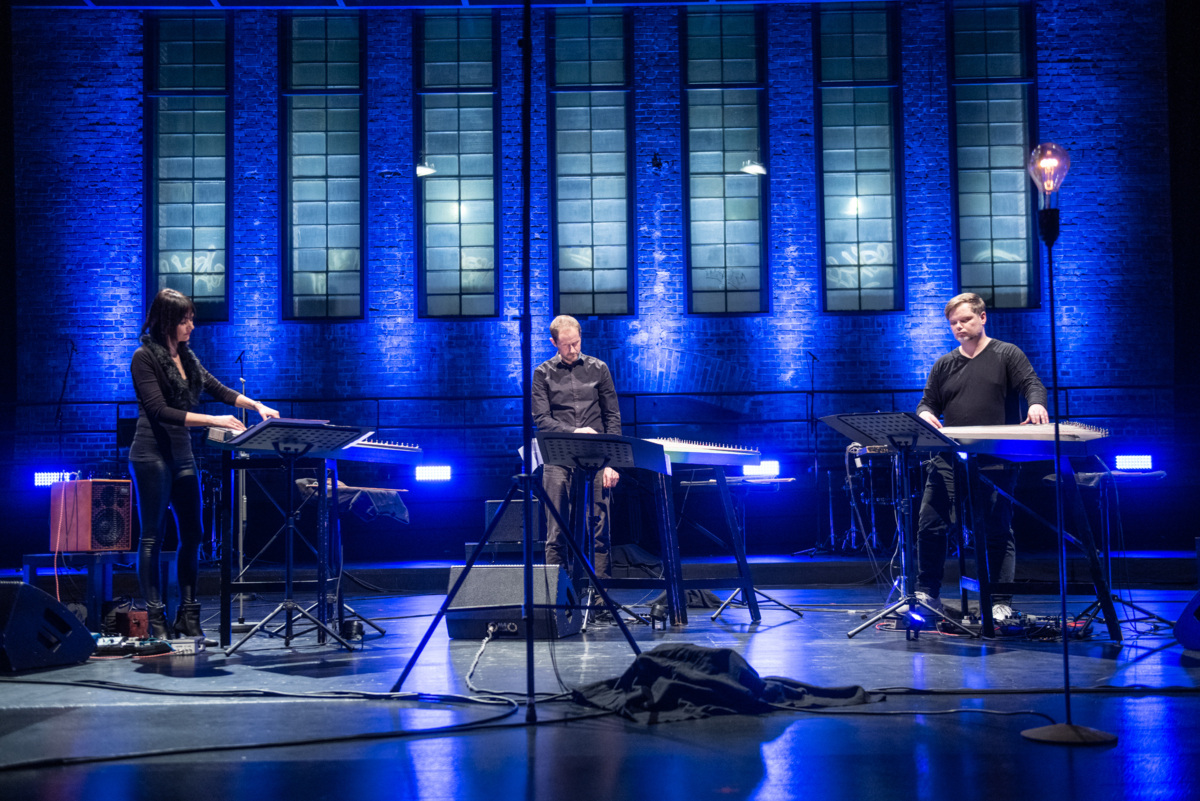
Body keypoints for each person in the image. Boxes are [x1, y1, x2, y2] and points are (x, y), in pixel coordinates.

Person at [129, 289, 279, 640]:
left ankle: (189, 615)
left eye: (191, 319)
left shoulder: (186, 357)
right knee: (153, 535)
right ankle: (156, 618)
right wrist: (213, 421)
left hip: (182, 455)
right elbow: (159, 411)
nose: (191, 326)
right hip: (150, 454)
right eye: (185, 320)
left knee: (193, 534)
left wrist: (256, 405)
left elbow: (217, 388)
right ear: (167, 321)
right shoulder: (143, 357)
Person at [914, 292, 1049, 621]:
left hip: (994, 458)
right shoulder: (944, 364)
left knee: (996, 529)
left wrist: (1036, 403)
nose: (959, 327)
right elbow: (927, 402)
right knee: (930, 524)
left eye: (965, 320)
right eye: (953, 323)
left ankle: (1000, 600)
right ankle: (926, 594)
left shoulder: (1006, 354)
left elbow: (1032, 383)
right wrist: (926, 414)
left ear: (983, 317)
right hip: (949, 458)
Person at [531, 315, 622, 585]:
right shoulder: (542, 373)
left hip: (597, 457)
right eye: (566, 345)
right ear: (553, 343)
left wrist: (612, 463)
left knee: (598, 529)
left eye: (576, 343)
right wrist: (574, 432)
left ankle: (600, 598)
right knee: (556, 529)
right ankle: (557, 599)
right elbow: (541, 419)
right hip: (558, 457)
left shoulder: (599, 369)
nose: (572, 350)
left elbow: (612, 417)